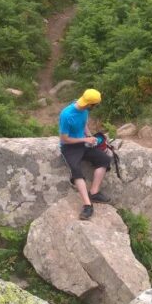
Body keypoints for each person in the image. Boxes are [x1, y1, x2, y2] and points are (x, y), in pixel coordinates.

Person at [59, 88, 111, 220]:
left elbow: (84, 125)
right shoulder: (66, 115)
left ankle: (94, 192)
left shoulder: (85, 109)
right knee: (76, 170)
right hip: (69, 147)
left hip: (84, 143)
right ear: (90, 104)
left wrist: (90, 137)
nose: (95, 107)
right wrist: (84, 139)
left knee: (104, 159)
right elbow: (64, 139)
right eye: (95, 105)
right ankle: (88, 205)